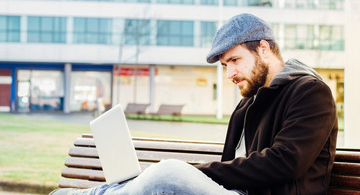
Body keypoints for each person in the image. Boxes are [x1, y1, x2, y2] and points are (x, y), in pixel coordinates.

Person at [50, 13, 337, 195]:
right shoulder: (247, 104)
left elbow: (285, 163)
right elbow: (231, 168)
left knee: (169, 173)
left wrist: (194, 173)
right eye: (225, 65)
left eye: (234, 61)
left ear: (264, 48)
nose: (230, 74)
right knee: (165, 178)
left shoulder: (310, 93)